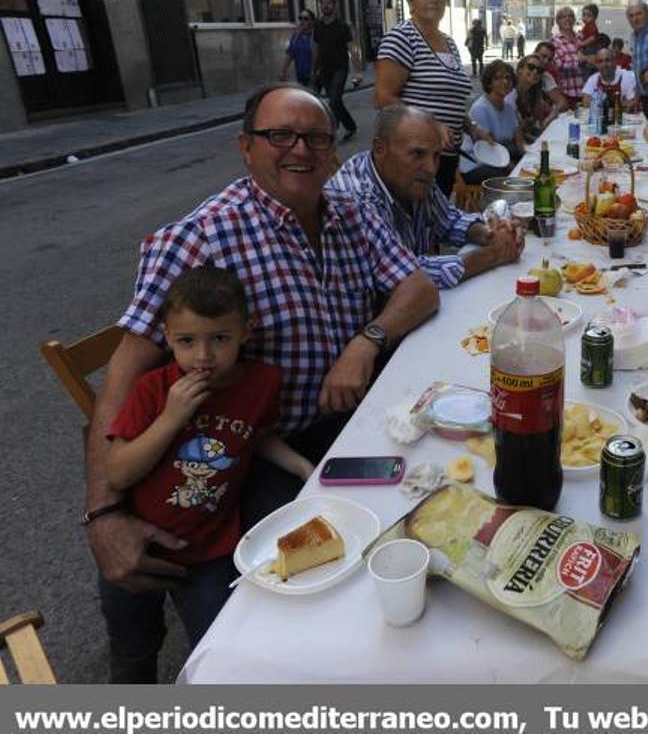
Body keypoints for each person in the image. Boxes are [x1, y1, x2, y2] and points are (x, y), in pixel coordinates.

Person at [84, 84, 439, 610]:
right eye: (280, 135)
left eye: (316, 137)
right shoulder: (200, 238)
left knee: (432, 516)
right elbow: (125, 372)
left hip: (348, 425)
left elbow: (419, 288)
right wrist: (104, 515)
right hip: (253, 454)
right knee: (299, 594)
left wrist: (366, 342)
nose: (300, 149)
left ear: (332, 150)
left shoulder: (353, 213)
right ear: (245, 146)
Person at [100, 266, 313, 682]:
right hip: (142, 545)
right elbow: (119, 473)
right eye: (186, 341)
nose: (202, 357)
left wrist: (304, 467)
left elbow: (258, 437)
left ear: (246, 331)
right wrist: (171, 418)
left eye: (219, 338)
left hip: (211, 549)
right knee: (132, 650)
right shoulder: (154, 389)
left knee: (217, 656)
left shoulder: (263, 382)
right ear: (166, 336)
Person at [329, 104, 525, 288]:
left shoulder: (413, 176)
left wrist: (489, 232)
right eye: (417, 154)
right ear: (380, 150)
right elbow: (408, 274)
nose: (431, 169)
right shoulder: (357, 199)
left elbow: (448, 219)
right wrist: (494, 254)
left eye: (436, 156)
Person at [374, 0, 495, 196]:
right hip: (413, 156)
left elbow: (450, 100)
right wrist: (430, 125)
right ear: (410, 0)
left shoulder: (449, 43)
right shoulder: (401, 38)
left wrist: (472, 128)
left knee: (433, 223)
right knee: (415, 225)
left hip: (445, 155)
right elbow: (383, 99)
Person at [465, 60, 523, 181]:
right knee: (512, 179)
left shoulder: (508, 107)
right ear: (489, 83)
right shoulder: (481, 108)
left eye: (508, 78)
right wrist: (517, 171)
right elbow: (491, 150)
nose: (505, 82)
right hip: (479, 163)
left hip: (502, 157)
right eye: (498, 78)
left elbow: (519, 141)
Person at [312, 0, 358, 142]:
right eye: (323, 3)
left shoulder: (342, 26)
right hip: (325, 69)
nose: (325, 6)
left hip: (340, 68)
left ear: (334, 6)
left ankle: (333, 129)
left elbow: (351, 49)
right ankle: (350, 126)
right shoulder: (317, 25)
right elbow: (317, 49)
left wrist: (357, 72)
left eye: (328, 3)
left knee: (334, 99)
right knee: (336, 101)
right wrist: (314, 69)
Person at [510, 54, 556, 142]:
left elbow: (551, 110)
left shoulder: (534, 93)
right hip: (513, 142)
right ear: (520, 69)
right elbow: (514, 130)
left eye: (539, 70)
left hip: (528, 136)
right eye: (531, 67)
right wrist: (538, 141)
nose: (535, 72)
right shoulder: (511, 93)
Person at [550, 7, 586, 108]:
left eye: (570, 16)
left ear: (574, 20)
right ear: (558, 21)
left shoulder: (582, 38)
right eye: (563, 17)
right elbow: (558, 65)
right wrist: (579, 61)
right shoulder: (555, 42)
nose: (567, 19)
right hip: (568, 94)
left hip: (587, 93)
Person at [280, 8, 316, 87]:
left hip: (314, 77)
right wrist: (283, 71)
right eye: (300, 18)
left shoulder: (315, 37)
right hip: (300, 76)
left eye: (306, 19)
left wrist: (313, 73)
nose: (302, 21)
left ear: (312, 22)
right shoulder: (296, 36)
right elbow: (290, 54)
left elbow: (316, 56)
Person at [533, 41, 570, 115]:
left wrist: (551, 111)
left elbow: (563, 103)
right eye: (543, 56)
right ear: (534, 53)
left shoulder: (546, 77)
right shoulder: (522, 71)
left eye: (549, 59)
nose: (546, 61)